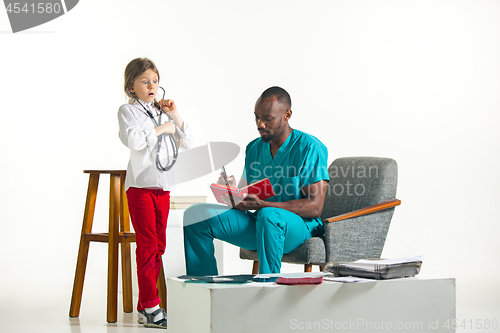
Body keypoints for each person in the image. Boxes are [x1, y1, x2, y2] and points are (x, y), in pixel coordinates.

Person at [183, 86, 328, 275]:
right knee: (196, 215)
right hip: (260, 222)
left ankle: (268, 287)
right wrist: (232, 192)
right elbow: (246, 198)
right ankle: (205, 288)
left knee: (269, 215)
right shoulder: (253, 148)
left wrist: (264, 205)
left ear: (287, 115)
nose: (260, 124)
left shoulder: (309, 147)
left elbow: (315, 207)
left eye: (268, 118)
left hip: (298, 228)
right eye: (257, 117)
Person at [118, 57, 193, 329]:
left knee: (159, 246)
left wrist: (174, 116)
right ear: (131, 87)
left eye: (155, 81)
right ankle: (151, 306)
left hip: (163, 188)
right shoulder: (128, 113)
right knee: (148, 246)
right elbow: (136, 142)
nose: (151, 86)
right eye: (144, 81)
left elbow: (189, 142)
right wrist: (162, 128)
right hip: (140, 188)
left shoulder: (162, 111)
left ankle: (143, 306)